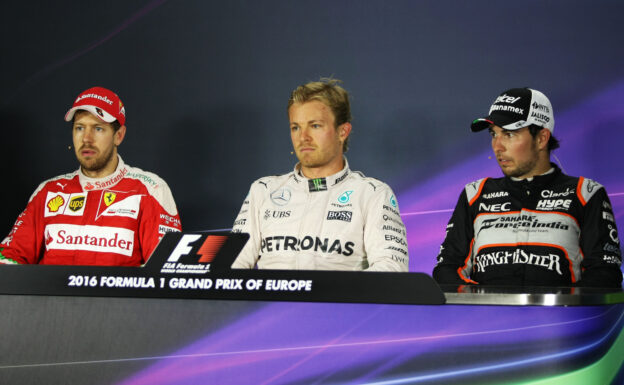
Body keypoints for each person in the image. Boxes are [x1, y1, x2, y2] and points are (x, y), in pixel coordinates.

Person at [433, 88, 622, 287]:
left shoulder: (586, 193)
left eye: (509, 134)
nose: (497, 146)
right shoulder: (475, 194)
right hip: (491, 317)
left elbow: (604, 274)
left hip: (559, 317)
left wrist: (557, 306)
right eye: (493, 134)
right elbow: (447, 269)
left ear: (542, 138)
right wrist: (482, 305)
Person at [231, 78, 408, 271]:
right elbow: (230, 267)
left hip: (339, 302)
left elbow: (391, 270)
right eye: (295, 127)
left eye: (315, 126)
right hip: (272, 302)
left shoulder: (373, 194)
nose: (303, 137)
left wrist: (331, 296)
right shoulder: (263, 191)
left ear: (343, 131)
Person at [0, 87, 182, 266]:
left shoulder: (150, 189)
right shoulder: (48, 191)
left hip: (117, 296)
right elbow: (9, 256)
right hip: (54, 297)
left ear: (119, 136)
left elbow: (165, 269)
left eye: (98, 128)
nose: (86, 138)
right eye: (79, 128)